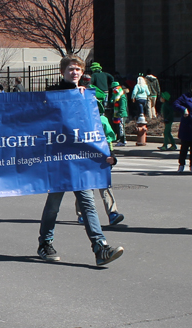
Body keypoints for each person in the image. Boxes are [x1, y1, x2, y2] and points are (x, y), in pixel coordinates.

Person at [37, 54, 124, 266]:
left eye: (77, 69)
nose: (74, 72)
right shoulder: (53, 93)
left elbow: (95, 129)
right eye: (70, 69)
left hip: (81, 161)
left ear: (82, 72)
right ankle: (45, 243)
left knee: (88, 205)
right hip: (58, 160)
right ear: (63, 72)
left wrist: (107, 155)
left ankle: (100, 247)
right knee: (53, 205)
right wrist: (74, 96)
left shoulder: (88, 97)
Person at [76, 114, 124, 226]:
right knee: (84, 189)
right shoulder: (79, 119)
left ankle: (112, 213)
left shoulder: (101, 120)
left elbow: (109, 140)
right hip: (85, 159)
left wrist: (112, 158)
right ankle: (82, 214)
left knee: (105, 187)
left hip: (101, 161)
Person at [173, 88, 192, 172]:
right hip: (187, 127)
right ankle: (181, 165)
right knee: (184, 148)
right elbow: (175, 104)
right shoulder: (185, 97)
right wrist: (183, 109)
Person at [110, 81, 128, 146]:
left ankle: (123, 140)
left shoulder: (121, 96)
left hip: (121, 114)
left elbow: (123, 106)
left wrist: (120, 113)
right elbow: (112, 100)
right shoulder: (116, 96)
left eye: (114, 88)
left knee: (121, 128)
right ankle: (121, 140)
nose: (113, 90)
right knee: (120, 127)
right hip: (118, 114)